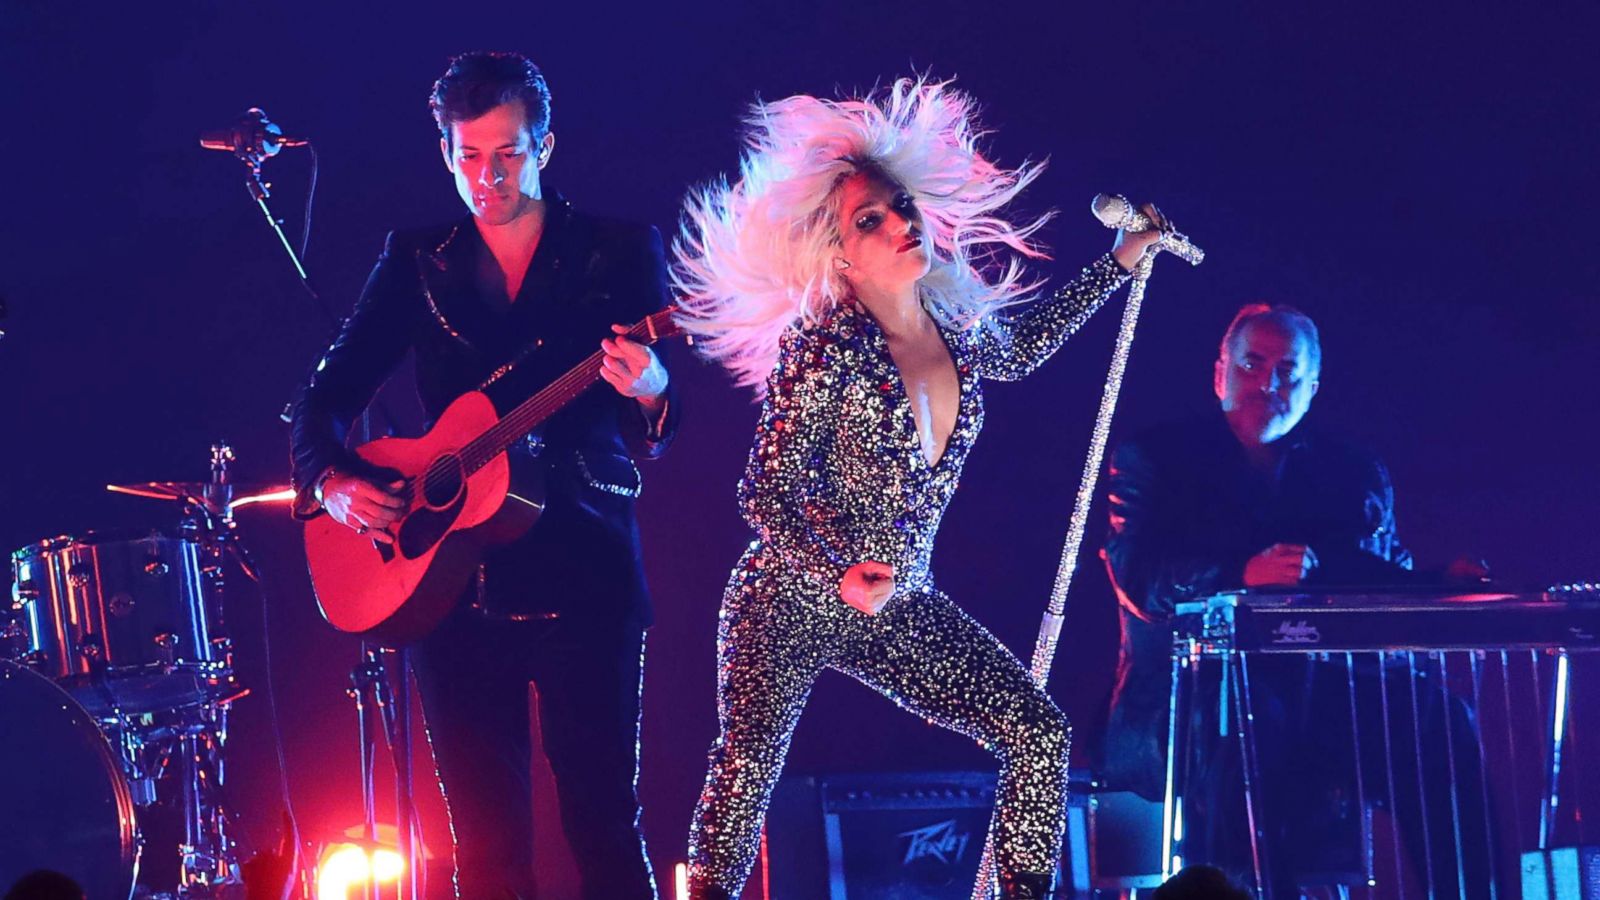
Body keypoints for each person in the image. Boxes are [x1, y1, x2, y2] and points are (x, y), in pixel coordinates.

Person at [672, 77, 1168, 900]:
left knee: (1038, 733)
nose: (901, 223)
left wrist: (1119, 262)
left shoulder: (961, 332)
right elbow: (762, 494)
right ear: (840, 254)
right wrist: (835, 569)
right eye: (871, 220)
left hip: (900, 599)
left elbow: (1026, 347)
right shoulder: (824, 346)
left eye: (900, 208)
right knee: (748, 765)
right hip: (787, 597)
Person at [289, 51, 677, 900]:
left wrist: (652, 392)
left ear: (544, 144)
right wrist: (331, 483)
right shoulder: (415, 260)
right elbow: (321, 400)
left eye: (507, 152)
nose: (487, 176)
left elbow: (658, 419)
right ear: (444, 154)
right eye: (468, 155)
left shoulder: (616, 252)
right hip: (448, 582)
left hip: (586, 567)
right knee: (486, 846)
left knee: (605, 825)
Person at [1100, 303, 1500, 896]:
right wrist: (1239, 573)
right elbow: (1139, 576)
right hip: (1185, 702)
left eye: (1289, 371)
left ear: (1313, 388)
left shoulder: (1352, 471)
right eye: (1252, 364)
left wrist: (1442, 585)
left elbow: (1379, 574)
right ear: (1220, 375)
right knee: (1252, 723)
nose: (1268, 383)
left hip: (1328, 695)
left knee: (1441, 719)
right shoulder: (1156, 458)